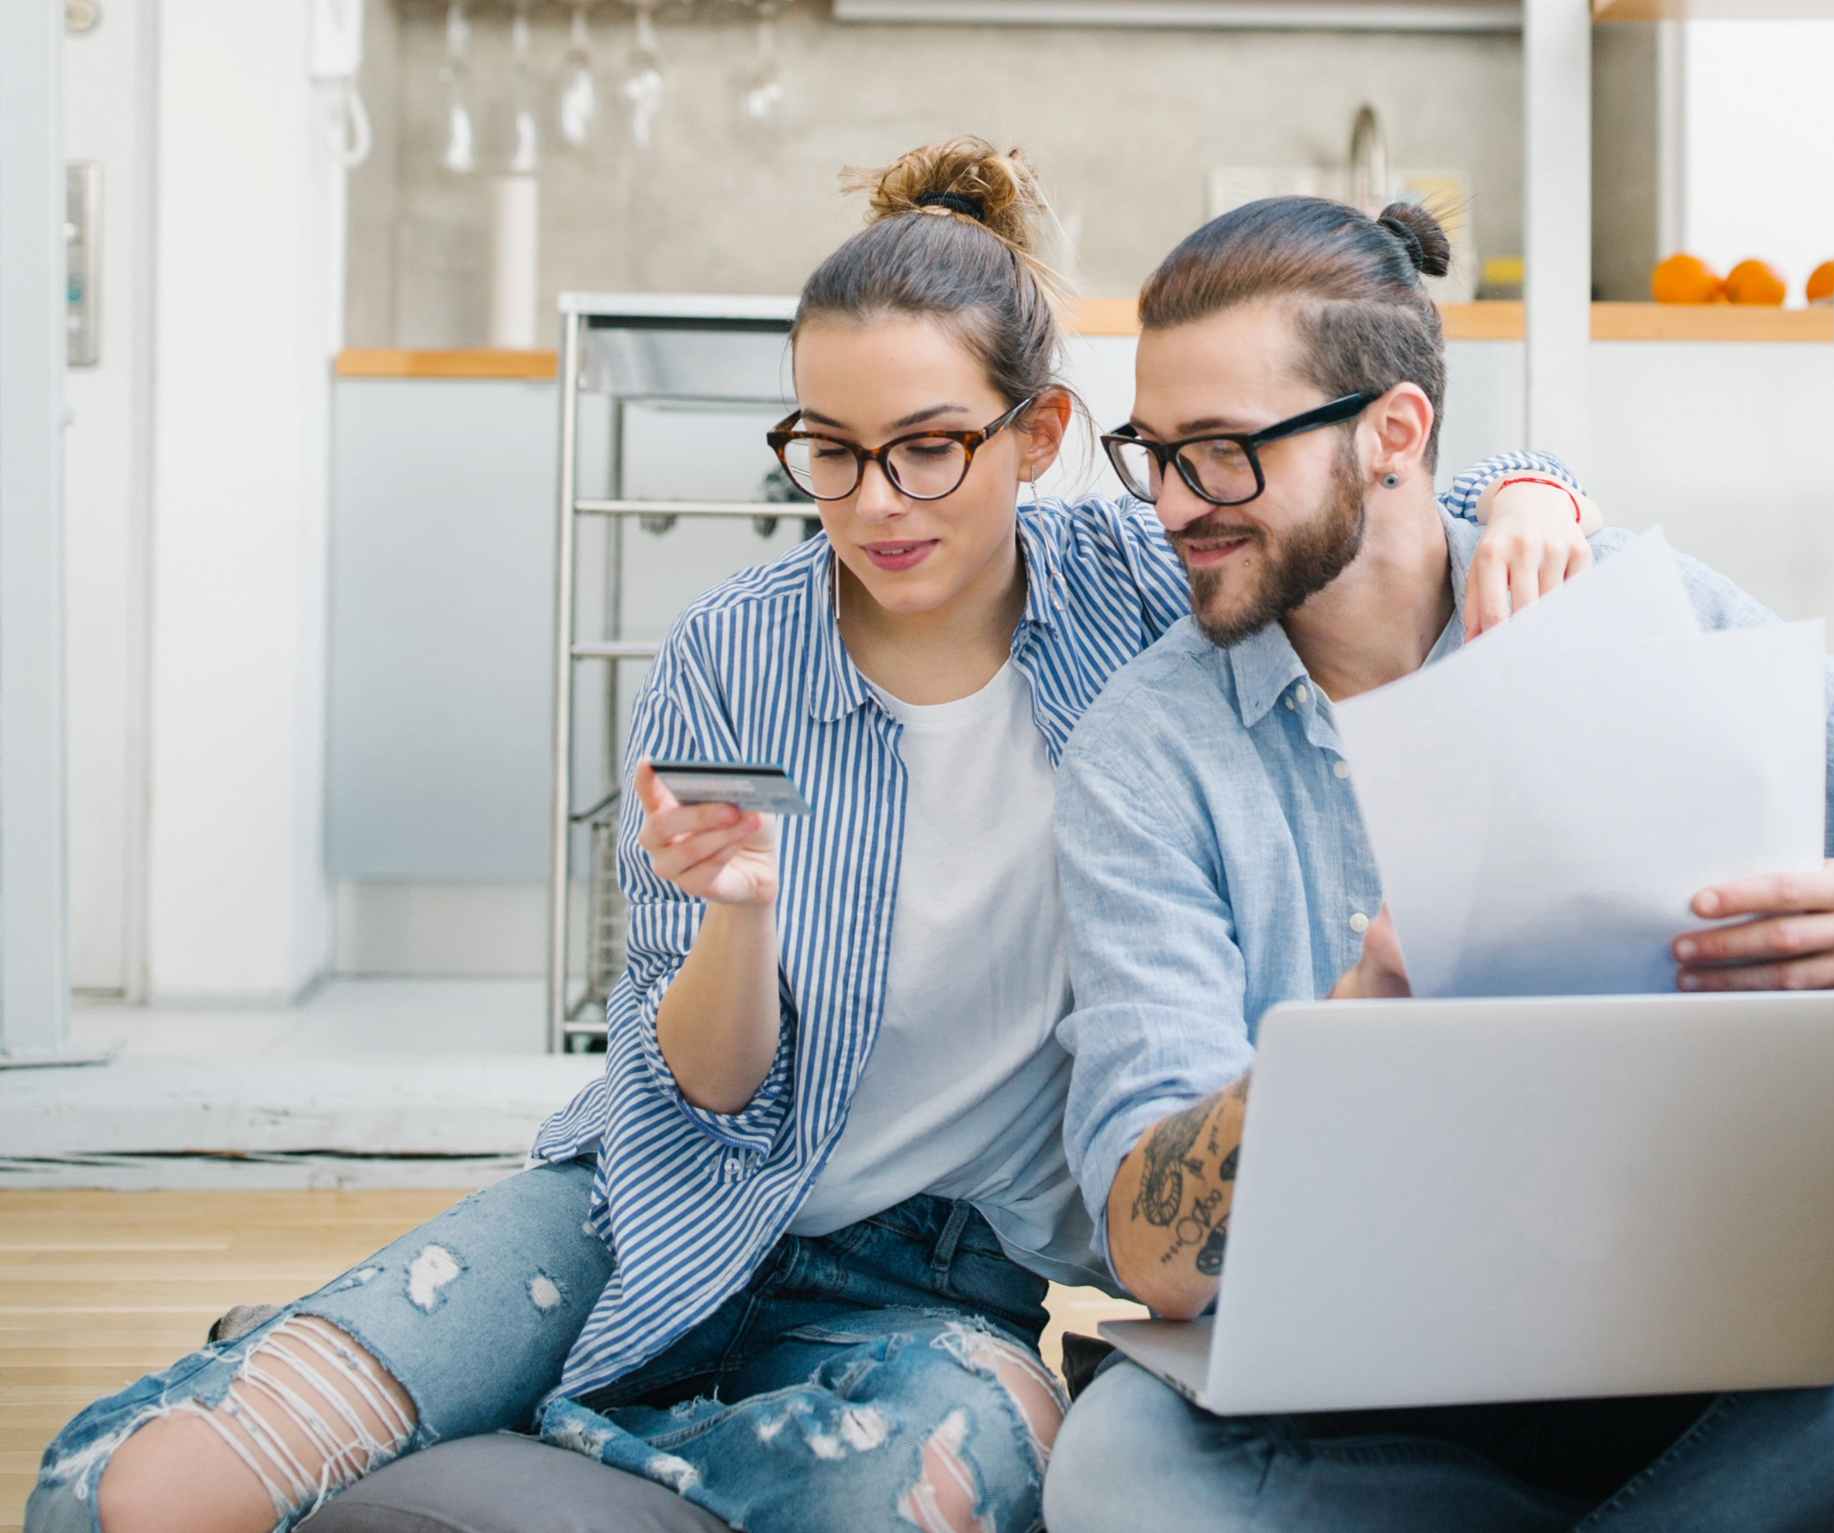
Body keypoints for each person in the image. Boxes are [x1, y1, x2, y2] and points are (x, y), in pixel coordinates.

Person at [26, 140, 1591, 1533]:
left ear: (1037, 433)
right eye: (826, 451)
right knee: (147, 1495)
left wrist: (1529, 489)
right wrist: (740, 918)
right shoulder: (738, 648)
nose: (874, 502)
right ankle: (475, 1397)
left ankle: (514, 1438)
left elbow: (1353, 507)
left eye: (928, 446)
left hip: (939, 1278)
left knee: (947, 1482)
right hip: (647, 1200)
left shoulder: (1141, 585)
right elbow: (696, 1082)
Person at [1038, 193, 1834, 1533]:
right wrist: (1349, 1033)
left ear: (1394, 433)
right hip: (1363, 1385)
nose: (1177, 503)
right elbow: (1146, 1242)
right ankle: (1762, 1504)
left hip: (1697, 1310)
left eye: (1224, 454)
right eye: (1155, 452)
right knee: (1121, 1471)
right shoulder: (1141, 754)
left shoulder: (1615, 604)